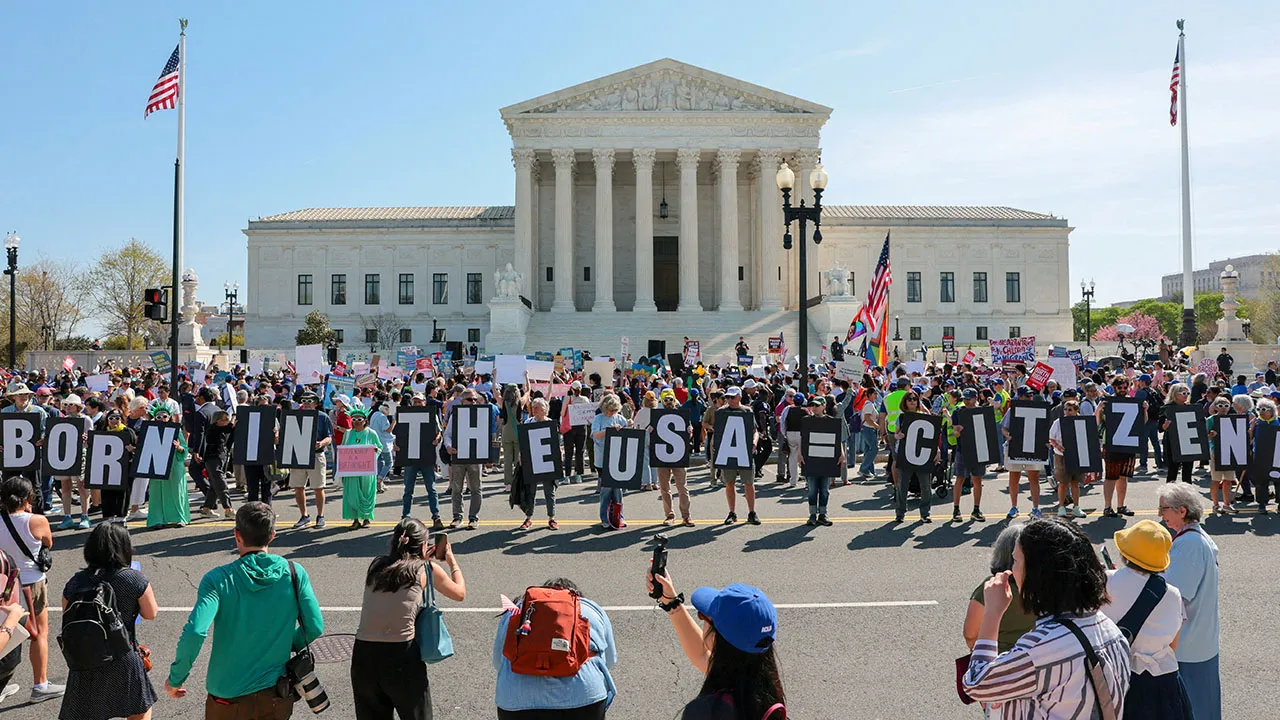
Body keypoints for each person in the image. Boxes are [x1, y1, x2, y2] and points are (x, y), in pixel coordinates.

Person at [165, 502, 324, 717]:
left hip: (227, 696)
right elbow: (314, 626)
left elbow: (195, 631)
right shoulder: (295, 573)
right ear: (272, 536)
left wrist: (176, 678)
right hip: (276, 692)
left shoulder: (217, 579)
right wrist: (285, 642)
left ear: (237, 535)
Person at [962, 518, 1130, 717]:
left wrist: (992, 611)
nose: (1011, 569)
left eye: (1015, 561)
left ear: (1037, 573)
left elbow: (976, 683)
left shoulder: (1042, 647)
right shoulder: (1109, 628)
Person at [352, 517, 465, 720]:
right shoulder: (426, 570)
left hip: (363, 656)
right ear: (423, 545)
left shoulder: (376, 566)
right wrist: (451, 560)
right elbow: (459, 593)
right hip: (400, 657)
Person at [646, 570, 785, 720]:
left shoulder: (706, 712)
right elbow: (701, 656)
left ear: (716, 636)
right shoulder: (763, 689)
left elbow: (703, 656)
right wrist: (672, 603)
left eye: (704, 616)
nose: (702, 620)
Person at [59, 522, 159, 720]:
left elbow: (66, 613)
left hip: (85, 656)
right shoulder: (134, 579)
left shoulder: (76, 581)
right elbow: (151, 613)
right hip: (122, 652)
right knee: (139, 708)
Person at [1102, 519, 1192, 720]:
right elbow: (1173, 644)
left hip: (1118, 680)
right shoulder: (1172, 594)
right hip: (1164, 682)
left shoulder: (1106, 581)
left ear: (1126, 553)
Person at [493, 578, 617, 719]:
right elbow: (610, 660)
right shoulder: (590, 608)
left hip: (516, 702)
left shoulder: (517, 610)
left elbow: (499, 662)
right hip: (583, 698)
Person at [1158, 482, 1221, 720]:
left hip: (1190, 645)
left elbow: (1174, 596)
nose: (1160, 515)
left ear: (1181, 510)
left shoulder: (1188, 545)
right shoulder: (1195, 538)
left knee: (1195, 710)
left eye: (1163, 509)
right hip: (1200, 641)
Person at [0, 476, 64, 703]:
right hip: (32, 584)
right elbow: (48, 543)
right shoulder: (37, 521)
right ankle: (40, 685)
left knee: (5, 633)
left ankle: (2, 684)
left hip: (4, 585)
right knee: (38, 635)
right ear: (28, 498)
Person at [963, 524, 1036, 655]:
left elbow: (970, 635)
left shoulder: (991, 587)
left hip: (996, 658)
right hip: (1034, 656)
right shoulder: (1043, 586)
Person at [287, 391, 334, 529]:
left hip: (316, 455)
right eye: (304, 400)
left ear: (316, 403)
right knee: (298, 487)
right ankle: (304, 515)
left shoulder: (323, 417)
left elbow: (329, 436)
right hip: (298, 455)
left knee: (318, 487)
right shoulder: (295, 416)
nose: (307, 403)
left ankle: (320, 515)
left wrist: (321, 443)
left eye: (310, 400)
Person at [399, 393, 444, 530]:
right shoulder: (405, 414)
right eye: (415, 402)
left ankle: (436, 516)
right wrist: (397, 443)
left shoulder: (431, 415)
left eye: (419, 402)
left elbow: (439, 431)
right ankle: (405, 516)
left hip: (425, 456)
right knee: (408, 489)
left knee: (431, 489)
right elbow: (400, 433)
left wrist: (437, 439)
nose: (417, 404)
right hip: (410, 456)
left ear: (425, 403)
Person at [442, 390, 486, 530]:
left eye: (474, 400)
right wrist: (448, 446)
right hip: (458, 455)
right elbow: (447, 435)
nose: (473, 402)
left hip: (475, 457)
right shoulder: (456, 416)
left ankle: (473, 518)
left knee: (476, 489)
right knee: (457, 489)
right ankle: (457, 516)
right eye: (469, 400)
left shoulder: (481, 415)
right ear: (462, 401)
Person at [716, 387, 760, 525]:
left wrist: (754, 442)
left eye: (732, 397)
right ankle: (732, 512)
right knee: (729, 483)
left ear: (739, 397)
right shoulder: (721, 412)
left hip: (744, 452)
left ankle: (752, 512)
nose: (729, 400)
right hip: (728, 452)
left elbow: (755, 431)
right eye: (728, 397)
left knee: (748, 483)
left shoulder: (747, 411)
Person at [145, 402, 191, 529]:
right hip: (157, 466)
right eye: (158, 417)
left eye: (164, 416)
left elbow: (185, 449)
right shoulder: (150, 430)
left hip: (174, 465)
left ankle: (179, 518)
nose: (161, 419)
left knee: (176, 492)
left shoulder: (176, 430)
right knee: (156, 493)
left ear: (169, 417)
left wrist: (179, 447)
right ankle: (157, 519)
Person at [1001, 386, 1045, 519]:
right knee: (1014, 477)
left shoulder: (1038, 409)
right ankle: (1014, 507)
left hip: (1033, 447)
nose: (1030, 398)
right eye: (1027, 396)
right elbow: (1004, 427)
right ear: (1019, 397)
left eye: (1031, 395)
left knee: (1034, 478)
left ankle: (1036, 508)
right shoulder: (1012, 410)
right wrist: (1007, 436)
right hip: (1016, 447)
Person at [517, 398, 560, 530]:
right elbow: (523, 442)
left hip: (546, 461)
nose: (534, 410)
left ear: (545, 410)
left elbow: (556, 443)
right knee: (531, 491)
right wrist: (521, 455)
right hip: (532, 461)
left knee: (549, 491)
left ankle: (551, 518)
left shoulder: (551, 424)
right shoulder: (529, 422)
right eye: (533, 407)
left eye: (537, 408)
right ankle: (528, 517)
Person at [889, 391, 931, 524]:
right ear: (905, 402)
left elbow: (931, 435)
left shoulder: (924, 416)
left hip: (921, 454)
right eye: (909, 399)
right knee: (902, 485)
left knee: (925, 485)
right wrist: (897, 436)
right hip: (905, 454)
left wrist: (937, 452)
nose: (912, 401)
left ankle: (925, 513)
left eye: (915, 399)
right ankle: (900, 513)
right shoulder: (901, 418)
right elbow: (895, 434)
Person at [53, 394, 93, 530]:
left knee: (82, 485)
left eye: (71, 404)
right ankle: (67, 516)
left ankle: (85, 515)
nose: (68, 407)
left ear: (78, 406)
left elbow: (91, 440)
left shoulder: (86, 420)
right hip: (65, 455)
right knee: (65, 485)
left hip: (80, 454)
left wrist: (86, 438)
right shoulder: (62, 420)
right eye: (66, 404)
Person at [1097, 381, 1136, 518]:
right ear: (1114, 387)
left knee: (1123, 476)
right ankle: (1107, 507)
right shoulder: (1108, 402)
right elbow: (1098, 423)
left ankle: (1121, 505)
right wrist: (1099, 410)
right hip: (1111, 443)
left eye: (1126, 387)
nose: (1123, 389)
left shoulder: (1132, 402)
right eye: (1120, 387)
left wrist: (1144, 409)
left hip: (1128, 443)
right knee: (1110, 476)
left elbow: (1140, 423)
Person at [341, 403, 384, 529]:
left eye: (359, 419)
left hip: (367, 471)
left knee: (366, 493)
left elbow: (380, 447)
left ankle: (366, 518)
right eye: (353, 419)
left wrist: (375, 451)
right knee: (352, 494)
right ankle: (355, 520)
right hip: (351, 471)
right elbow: (342, 450)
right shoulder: (348, 434)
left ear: (365, 421)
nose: (356, 422)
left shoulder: (371, 433)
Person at [591, 393, 629, 531]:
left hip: (617, 458)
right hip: (602, 459)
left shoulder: (620, 418)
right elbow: (595, 435)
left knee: (618, 489)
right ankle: (604, 518)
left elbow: (628, 432)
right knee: (606, 490)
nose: (613, 412)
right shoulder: (598, 419)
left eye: (615, 410)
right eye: (610, 410)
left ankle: (619, 516)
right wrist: (609, 431)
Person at [950, 390, 987, 523]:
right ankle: (956, 509)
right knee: (960, 479)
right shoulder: (958, 412)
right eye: (964, 398)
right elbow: (955, 432)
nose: (966, 401)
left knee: (977, 480)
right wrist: (957, 431)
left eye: (969, 399)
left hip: (979, 450)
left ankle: (976, 510)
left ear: (975, 398)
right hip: (963, 450)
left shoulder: (982, 412)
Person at [1047, 400, 1088, 519]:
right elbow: (1051, 438)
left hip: (1076, 455)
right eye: (1065, 409)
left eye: (1070, 410)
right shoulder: (1058, 422)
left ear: (1076, 411)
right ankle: (1061, 506)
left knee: (1075, 482)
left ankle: (1076, 507)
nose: (1066, 412)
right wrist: (1058, 446)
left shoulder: (1081, 422)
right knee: (1063, 483)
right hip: (1061, 455)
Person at [1160, 383, 1196, 485]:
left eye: (1188, 393)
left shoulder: (1190, 408)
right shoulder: (1167, 408)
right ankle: (1169, 495)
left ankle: (1187, 495)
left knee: (1188, 472)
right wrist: (1165, 426)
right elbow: (1160, 427)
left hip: (1187, 441)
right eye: (1183, 393)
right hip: (1172, 442)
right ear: (1175, 394)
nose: (1186, 395)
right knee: (1172, 470)